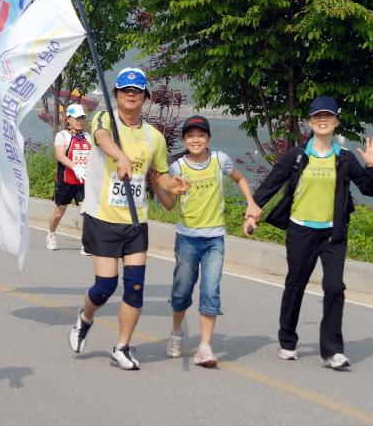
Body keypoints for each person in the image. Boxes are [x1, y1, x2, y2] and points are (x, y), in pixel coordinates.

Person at [246, 96, 373, 370]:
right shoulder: (297, 155)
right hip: (300, 230)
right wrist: (252, 211)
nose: (323, 120)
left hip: (333, 234)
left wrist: (371, 165)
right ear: (310, 121)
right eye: (318, 116)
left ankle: (332, 351)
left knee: (334, 287)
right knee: (295, 284)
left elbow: (370, 189)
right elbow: (272, 183)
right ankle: (287, 339)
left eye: (329, 117)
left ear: (336, 122)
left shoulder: (344, 158)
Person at [68, 67, 190, 370]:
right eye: (125, 90)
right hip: (103, 217)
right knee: (106, 285)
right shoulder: (104, 118)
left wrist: (172, 188)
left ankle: (121, 347)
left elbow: (159, 178)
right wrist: (119, 156)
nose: (131, 95)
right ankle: (85, 318)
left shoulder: (154, 138)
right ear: (117, 95)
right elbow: (101, 138)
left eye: (137, 91)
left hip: (136, 222)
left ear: (144, 96)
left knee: (135, 287)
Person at [153, 115, 261, 367]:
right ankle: (177, 332)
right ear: (184, 140)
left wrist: (251, 203)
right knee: (182, 290)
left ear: (208, 138)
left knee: (211, 291)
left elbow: (240, 179)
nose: (196, 140)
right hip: (187, 238)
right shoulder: (178, 167)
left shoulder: (220, 160)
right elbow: (170, 206)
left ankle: (204, 347)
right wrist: (159, 187)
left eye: (201, 135)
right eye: (190, 136)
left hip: (215, 239)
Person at [46, 103, 92, 253]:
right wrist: (75, 167)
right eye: (76, 118)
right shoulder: (62, 136)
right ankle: (51, 234)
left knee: (87, 212)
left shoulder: (87, 137)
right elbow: (60, 155)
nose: (80, 120)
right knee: (59, 212)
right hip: (66, 181)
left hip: (82, 182)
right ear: (68, 119)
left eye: (82, 118)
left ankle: (86, 243)